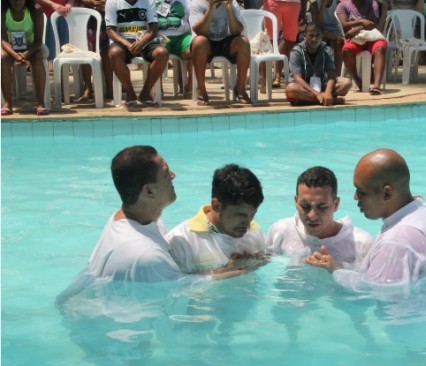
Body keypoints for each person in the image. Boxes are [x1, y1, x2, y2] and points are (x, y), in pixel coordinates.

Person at [306, 149, 426, 289]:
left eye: (361, 191)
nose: (355, 197)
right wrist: (338, 266)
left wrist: (335, 272)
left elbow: (372, 291)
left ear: (387, 193)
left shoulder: (396, 242)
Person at [60, 146, 182, 289]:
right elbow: (183, 290)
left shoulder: (130, 218)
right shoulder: (147, 256)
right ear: (148, 191)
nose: (173, 175)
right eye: (166, 173)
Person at [167, 164, 267, 279]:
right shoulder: (181, 241)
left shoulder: (254, 231)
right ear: (216, 205)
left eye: (252, 215)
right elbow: (173, 285)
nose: (248, 223)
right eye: (240, 215)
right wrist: (227, 271)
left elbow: (266, 260)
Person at [267, 166, 372, 269]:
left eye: (321, 207)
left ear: (335, 204)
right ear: (296, 202)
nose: (312, 216)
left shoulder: (360, 243)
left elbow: (370, 282)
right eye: (305, 206)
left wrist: (337, 267)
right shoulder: (281, 230)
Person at [105, 0, 169, 107]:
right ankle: (130, 92)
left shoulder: (149, 1)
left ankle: (145, 92)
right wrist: (127, 44)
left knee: (162, 53)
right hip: (123, 41)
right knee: (114, 53)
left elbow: (154, 28)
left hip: (144, 40)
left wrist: (142, 42)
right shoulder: (112, 2)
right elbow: (110, 30)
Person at [188, 0, 251, 105]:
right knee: (199, 42)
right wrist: (211, 8)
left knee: (243, 42)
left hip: (225, 42)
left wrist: (230, 10)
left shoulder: (232, 3)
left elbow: (237, 31)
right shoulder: (197, 3)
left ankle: (240, 89)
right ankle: (201, 89)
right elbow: (199, 31)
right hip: (205, 43)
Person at [1, 0, 50, 115]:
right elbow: (2, 40)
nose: (17, 2)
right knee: (3, 58)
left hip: (33, 47)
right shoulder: (2, 11)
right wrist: (15, 55)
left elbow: (38, 41)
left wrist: (25, 55)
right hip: (11, 49)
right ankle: (7, 103)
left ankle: (41, 103)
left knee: (38, 58)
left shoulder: (36, 10)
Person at [284, 23, 351, 106]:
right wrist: (317, 94)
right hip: (302, 87)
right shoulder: (297, 51)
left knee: (347, 82)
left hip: (321, 85)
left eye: (317, 35)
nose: (314, 39)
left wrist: (328, 92)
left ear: (322, 36)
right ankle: (327, 100)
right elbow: (298, 78)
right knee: (291, 89)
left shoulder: (327, 50)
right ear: (305, 36)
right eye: (311, 36)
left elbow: (331, 75)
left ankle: (313, 100)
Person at [336, 0, 387, 95]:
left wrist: (355, 28)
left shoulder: (372, 3)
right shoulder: (342, 5)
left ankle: (376, 85)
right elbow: (344, 24)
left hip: (371, 36)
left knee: (380, 47)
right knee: (346, 50)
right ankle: (358, 81)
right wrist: (361, 21)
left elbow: (372, 24)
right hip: (355, 38)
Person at [262, 0, 307, 88]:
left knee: (290, 41)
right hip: (273, 2)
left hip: (294, 3)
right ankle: (265, 79)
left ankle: (278, 75)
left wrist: (304, 10)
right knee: (269, 41)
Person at [309, 0, 344, 76]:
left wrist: (335, 36)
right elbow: (316, 25)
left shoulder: (339, 4)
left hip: (336, 32)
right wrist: (322, 7)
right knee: (317, 42)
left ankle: (337, 75)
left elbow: (342, 23)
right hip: (322, 32)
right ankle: (318, 74)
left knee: (338, 43)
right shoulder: (314, 5)